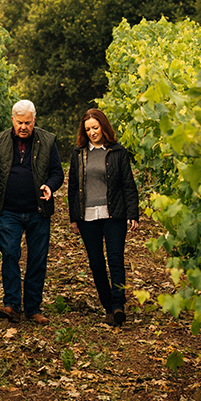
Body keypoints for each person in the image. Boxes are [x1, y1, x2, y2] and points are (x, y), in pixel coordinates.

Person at [0, 100, 64, 324]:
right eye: (19, 122)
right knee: (9, 254)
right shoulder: (0, 141)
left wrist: (50, 186)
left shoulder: (47, 141)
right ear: (12, 120)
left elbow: (57, 172)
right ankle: (12, 305)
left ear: (34, 121)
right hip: (9, 211)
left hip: (38, 211)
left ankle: (33, 308)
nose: (23, 127)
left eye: (27, 122)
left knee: (37, 259)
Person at [67, 108, 140, 327]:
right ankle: (107, 306)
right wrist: (73, 217)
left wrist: (133, 213)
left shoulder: (117, 152)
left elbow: (128, 184)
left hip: (114, 213)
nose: (92, 132)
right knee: (97, 263)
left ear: (103, 126)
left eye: (95, 128)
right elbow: (73, 187)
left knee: (115, 260)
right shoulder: (78, 154)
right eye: (88, 129)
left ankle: (118, 305)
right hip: (87, 216)